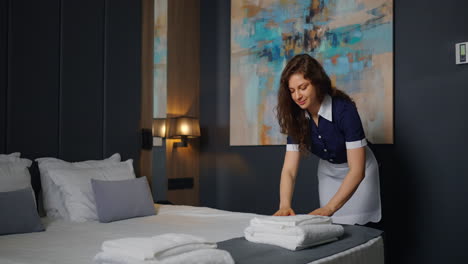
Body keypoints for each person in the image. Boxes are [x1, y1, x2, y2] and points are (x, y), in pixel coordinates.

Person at [273, 54, 381, 225]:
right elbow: (289, 171)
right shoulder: (296, 117)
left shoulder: (344, 110)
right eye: (292, 91)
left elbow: (356, 171)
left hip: (360, 171)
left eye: (303, 87)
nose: (297, 96)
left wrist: (330, 208)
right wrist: (284, 205)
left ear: (316, 82)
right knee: (332, 228)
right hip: (328, 173)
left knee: (362, 229)